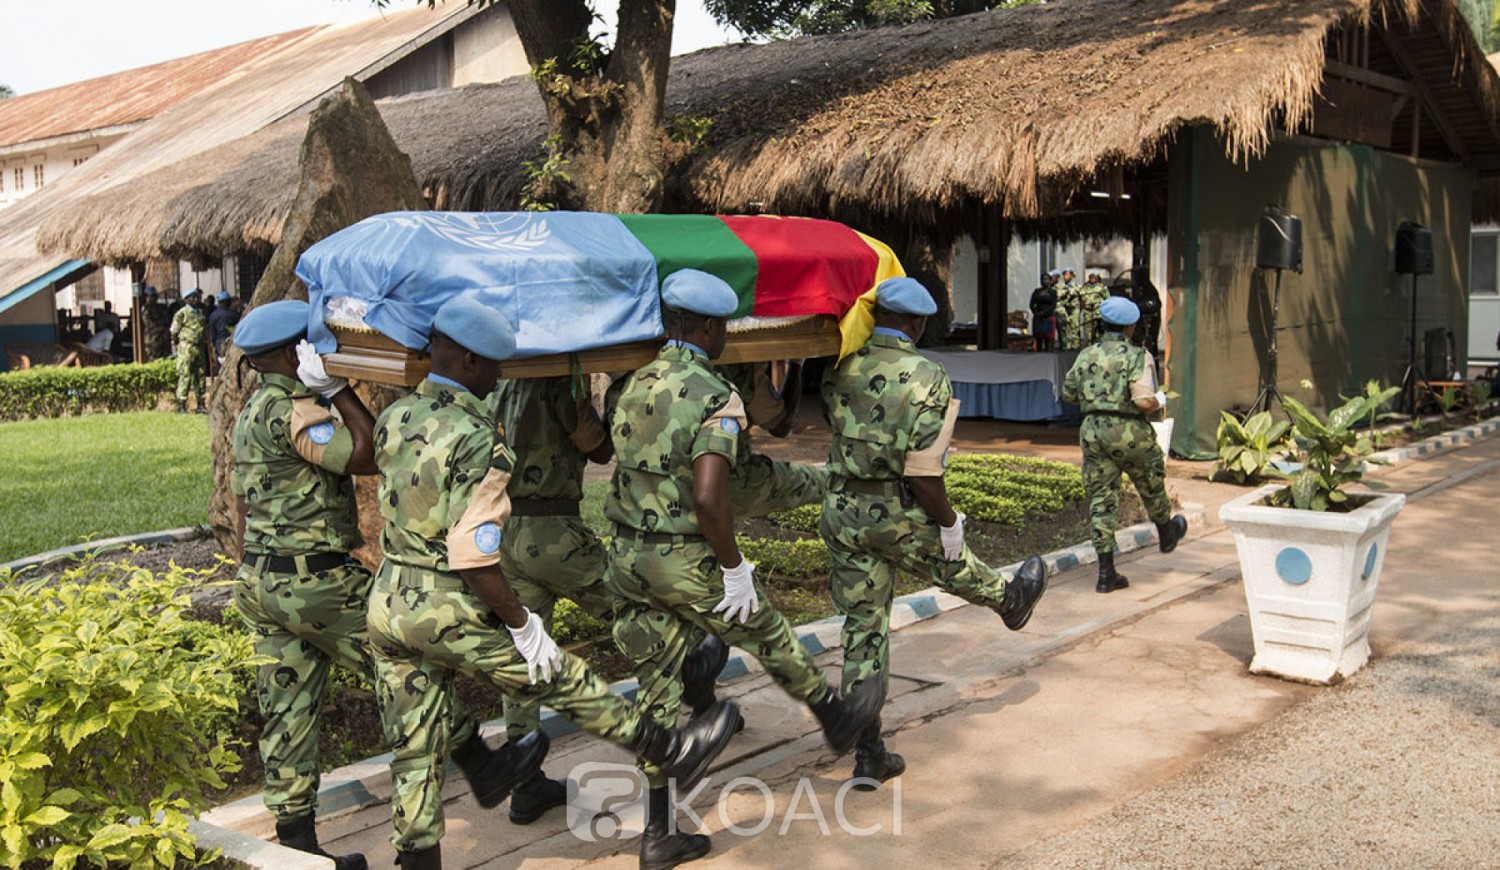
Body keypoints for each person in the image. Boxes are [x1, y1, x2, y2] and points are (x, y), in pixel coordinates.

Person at [367, 294, 740, 870]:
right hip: (459, 597)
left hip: (389, 601)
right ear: (467, 361)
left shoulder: (395, 416)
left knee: (415, 749)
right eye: (494, 363)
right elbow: (473, 554)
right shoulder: (480, 433)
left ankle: (430, 850)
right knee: (565, 678)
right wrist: (520, 623)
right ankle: (672, 745)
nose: (500, 374)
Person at [230, 300, 523, 870]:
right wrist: (339, 389)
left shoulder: (249, 412)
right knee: (409, 668)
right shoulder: (291, 412)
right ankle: (481, 765)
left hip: (262, 583)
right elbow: (367, 455)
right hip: (315, 586)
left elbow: (246, 506)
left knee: (288, 712)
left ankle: (298, 851)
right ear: (297, 354)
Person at [605, 269, 883, 869]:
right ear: (706, 326)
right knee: (768, 632)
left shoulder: (627, 383)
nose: (727, 334)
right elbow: (710, 497)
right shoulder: (714, 396)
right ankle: (834, 718)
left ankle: (658, 834)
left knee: (657, 689)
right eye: (724, 326)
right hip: (684, 558)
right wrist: (734, 568)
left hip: (627, 556)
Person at [820, 276, 1049, 789]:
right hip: (895, 510)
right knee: (952, 563)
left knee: (862, 629)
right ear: (918, 323)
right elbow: (924, 472)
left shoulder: (841, 364)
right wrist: (949, 523)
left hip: (842, 507)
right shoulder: (929, 376)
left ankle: (868, 753)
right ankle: (1009, 600)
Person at [1061, 296, 1188, 593]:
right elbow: (1143, 401)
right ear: (1130, 326)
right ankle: (1166, 532)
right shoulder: (1137, 355)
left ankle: (1106, 573)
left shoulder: (1086, 355)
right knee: (1151, 481)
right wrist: (1160, 399)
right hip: (1129, 430)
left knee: (1101, 500)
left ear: (1103, 324)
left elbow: (1068, 393)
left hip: (1093, 431)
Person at [169, 288, 208, 413]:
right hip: (187, 347)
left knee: (200, 374)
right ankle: (181, 404)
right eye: (193, 297)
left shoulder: (200, 313)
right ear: (187, 299)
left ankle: (201, 403)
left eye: (197, 297)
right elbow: (174, 331)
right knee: (185, 374)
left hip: (199, 347)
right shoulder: (182, 313)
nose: (196, 299)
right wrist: (177, 344)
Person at [1079, 272, 1111, 346]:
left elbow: (1107, 299)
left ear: (1097, 278)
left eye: (1094, 277)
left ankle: (1098, 346)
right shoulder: (1084, 287)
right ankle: (1089, 346)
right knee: (1088, 330)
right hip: (1087, 311)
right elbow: (1080, 299)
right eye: (1090, 277)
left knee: (1098, 331)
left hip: (1097, 312)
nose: (1092, 279)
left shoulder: (1102, 287)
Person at [1029, 274, 1059, 352]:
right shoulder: (1036, 292)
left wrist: (1044, 313)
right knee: (1038, 339)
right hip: (1038, 318)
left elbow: (1053, 305)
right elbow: (1031, 304)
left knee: (1048, 340)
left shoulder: (1053, 292)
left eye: (1046, 279)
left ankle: (1048, 355)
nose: (1044, 281)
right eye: (1043, 279)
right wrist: (1036, 313)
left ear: (1049, 281)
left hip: (1049, 317)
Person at [208, 290, 241, 357]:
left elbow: (212, 333)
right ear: (228, 301)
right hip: (233, 342)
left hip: (219, 343)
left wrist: (214, 345)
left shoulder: (213, 315)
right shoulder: (234, 314)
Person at [142, 288, 171, 361]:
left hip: (164, 337)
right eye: (151, 296)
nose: (153, 298)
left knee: (166, 358)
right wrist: (161, 328)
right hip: (153, 337)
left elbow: (168, 320)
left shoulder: (162, 307)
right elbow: (148, 322)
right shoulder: (146, 308)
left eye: (154, 295)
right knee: (153, 358)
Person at [1057, 268, 1083, 349]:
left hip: (1074, 309)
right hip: (1064, 309)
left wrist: (1079, 309)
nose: (1065, 276)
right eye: (1064, 275)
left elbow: (1083, 298)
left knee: (1075, 328)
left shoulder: (1077, 286)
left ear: (1072, 276)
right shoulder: (1060, 286)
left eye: (1067, 274)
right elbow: (1058, 296)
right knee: (1065, 329)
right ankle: (1066, 346)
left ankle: (1076, 346)